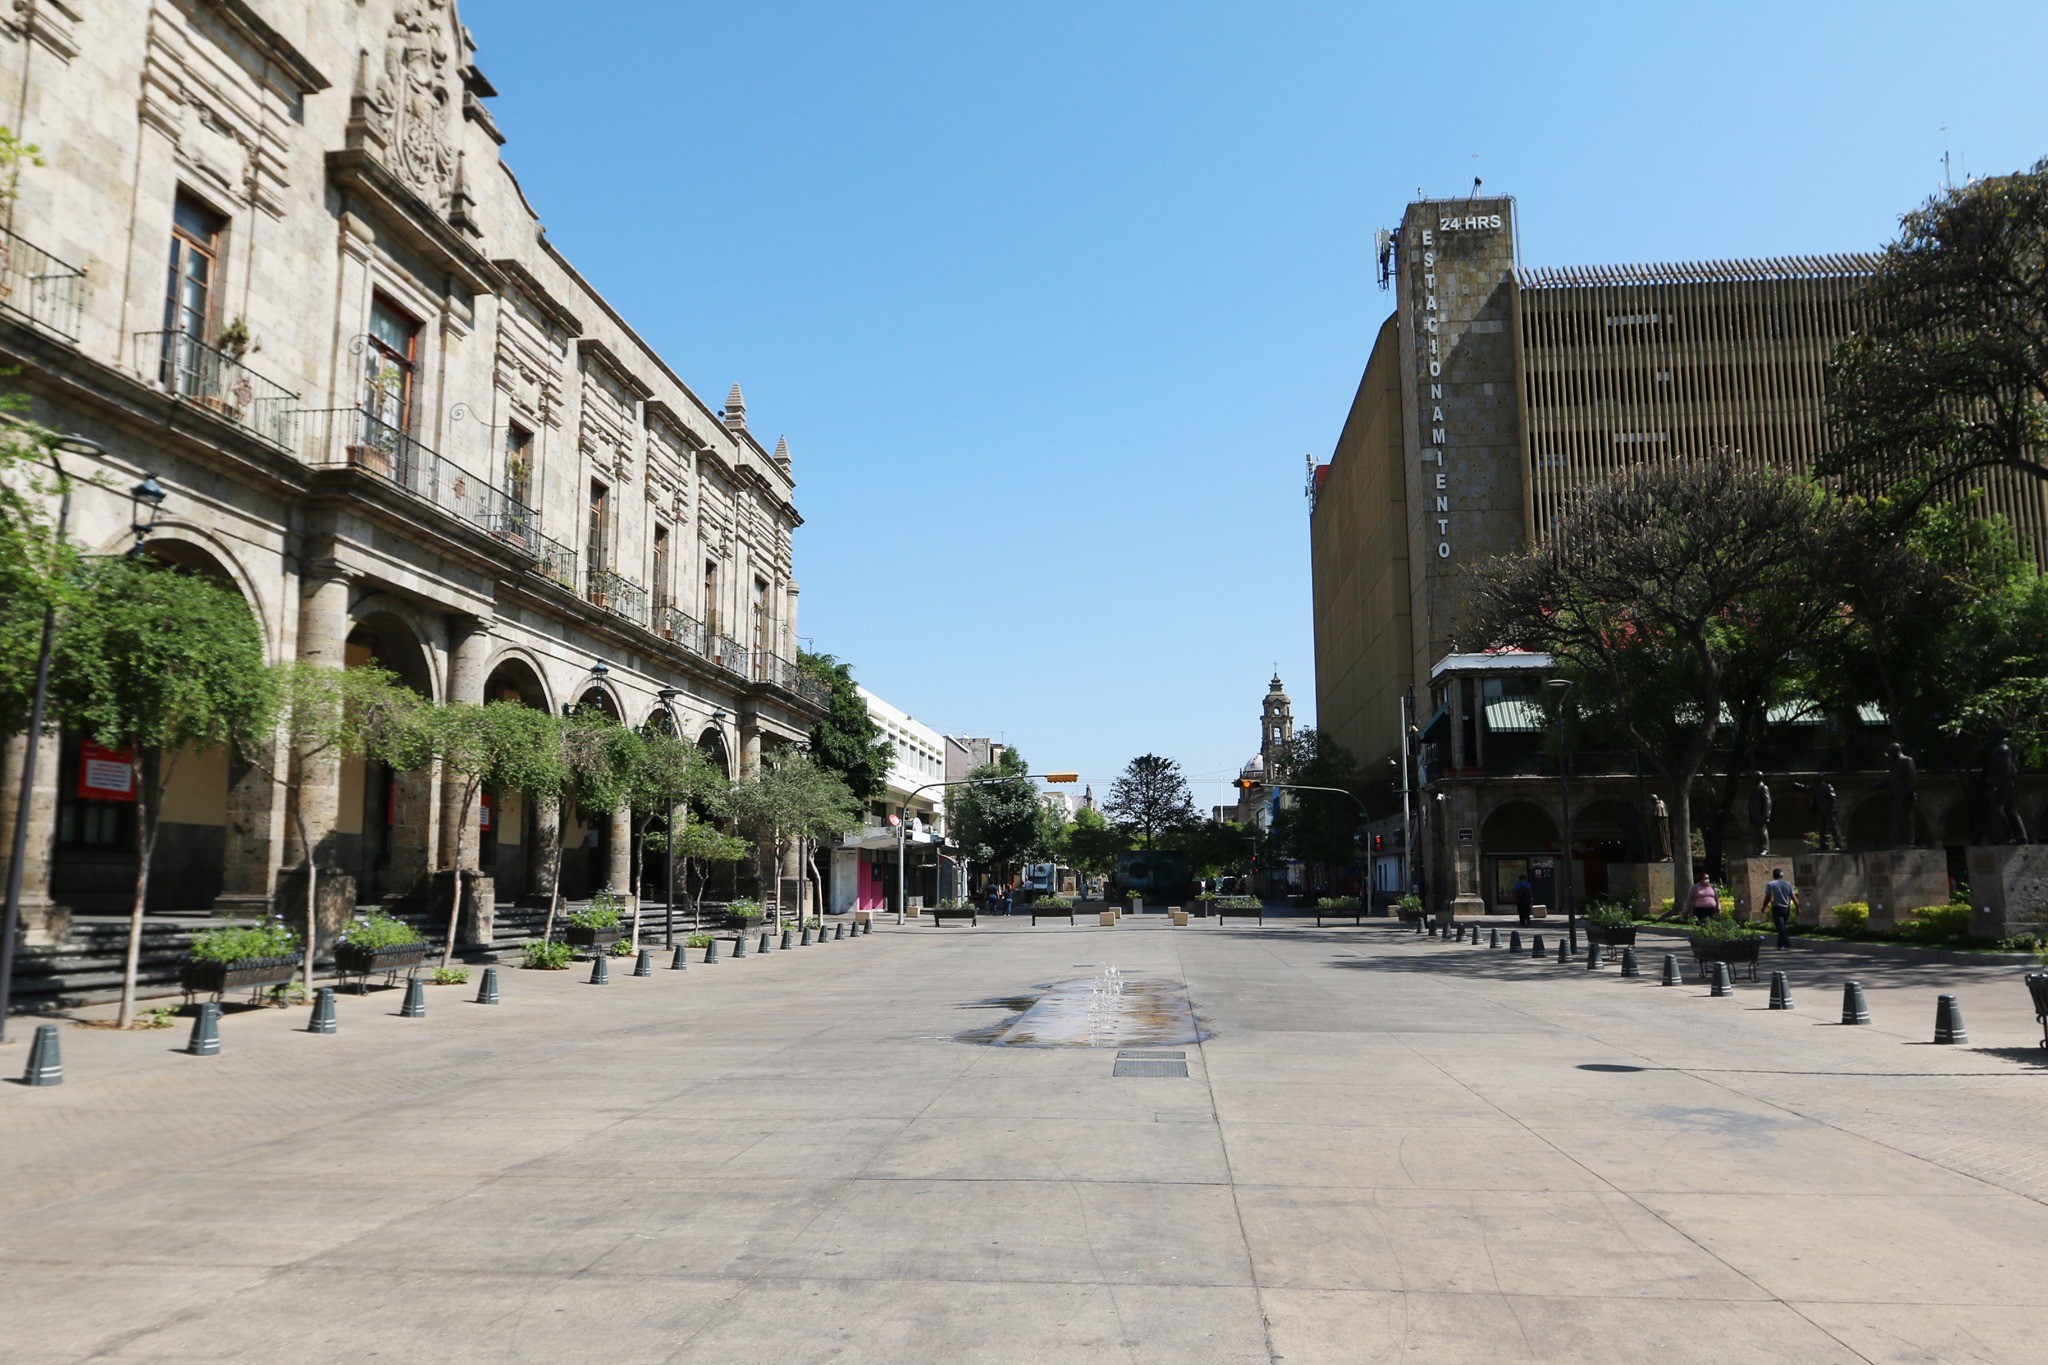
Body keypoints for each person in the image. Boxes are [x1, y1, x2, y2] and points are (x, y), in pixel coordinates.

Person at [1763, 867, 1798, 949]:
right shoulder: (1788, 884)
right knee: (1782, 926)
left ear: (1773, 876)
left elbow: (1768, 897)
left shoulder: (1770, 884)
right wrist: (1798, 908)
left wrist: (1763, 907)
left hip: (1777, 908)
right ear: (1782, 876)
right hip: (1786, 908)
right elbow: (1793, 897)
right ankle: (1780, 944)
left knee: (1781, 927)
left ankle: (1787, 943)